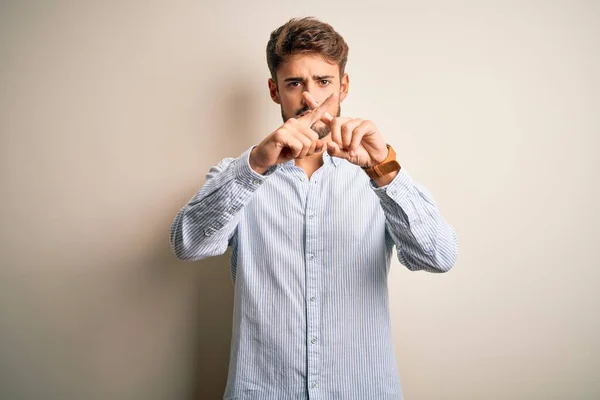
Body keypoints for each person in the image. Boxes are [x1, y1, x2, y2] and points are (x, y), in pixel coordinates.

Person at [170, 17, 458, 400]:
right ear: (274, 91)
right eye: (294, 84)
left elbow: (438, 256)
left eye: (323, 82)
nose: (310, 99)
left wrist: (383, 170)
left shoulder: (378, 175)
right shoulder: (237, 174)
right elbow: (188, 244)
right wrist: (255, 165)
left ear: (345, 86)